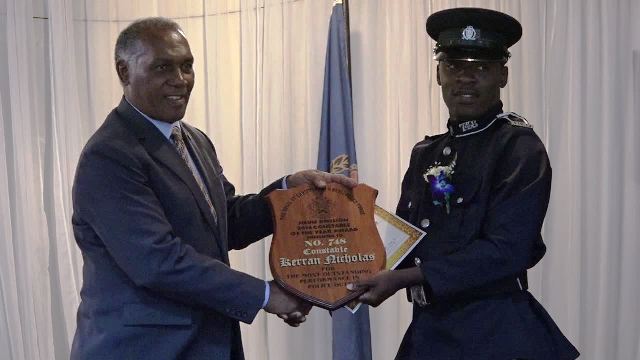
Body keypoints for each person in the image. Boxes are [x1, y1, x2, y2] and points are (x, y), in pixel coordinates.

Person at [70, 17, 355, 359]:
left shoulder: (194, 140)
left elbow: (227, 223)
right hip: (144, 349)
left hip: (209, 342)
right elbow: (157, 261)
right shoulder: (110, 154)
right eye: (163, 67)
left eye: (187, 66)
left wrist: (289, 193)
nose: (180, 80)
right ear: (124, 71)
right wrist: (264, 294)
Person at [348, 8, 580, 359]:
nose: (465, 78)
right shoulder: (426, 153)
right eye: (454, 66)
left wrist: (404, 280)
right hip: (431, 332)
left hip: (494, 333)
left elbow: (506, 251)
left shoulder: (518, 148)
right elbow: (402, 241)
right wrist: (351, 213)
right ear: (438, 74)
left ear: (503, 75)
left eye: (480, 67)